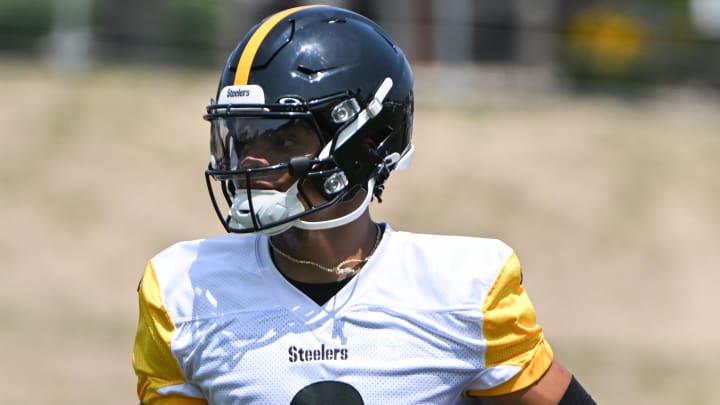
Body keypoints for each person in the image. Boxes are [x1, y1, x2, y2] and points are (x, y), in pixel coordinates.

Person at [131, 4, 596, 404]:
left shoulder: (464, 293)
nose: (250, 160)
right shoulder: (183, 294)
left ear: (370, 140)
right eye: (242, 134)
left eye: (284, 136)